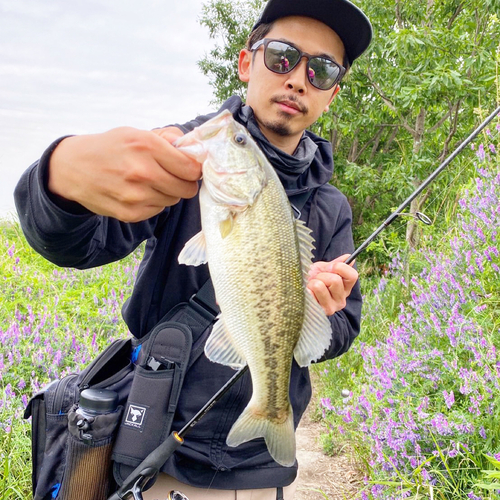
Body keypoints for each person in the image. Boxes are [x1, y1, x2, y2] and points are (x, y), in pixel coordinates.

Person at [15, 0, 372, 498]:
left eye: (321, 69)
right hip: (157, 450)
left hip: (260, 468)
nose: (297, 80)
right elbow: (80, 244)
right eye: (283, 57)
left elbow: (339, 328)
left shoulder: (331, 207)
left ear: (331, 93)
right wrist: (58, 180)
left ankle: (268, 413)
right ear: (247, 63)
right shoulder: (179, 159)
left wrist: (323, 309)